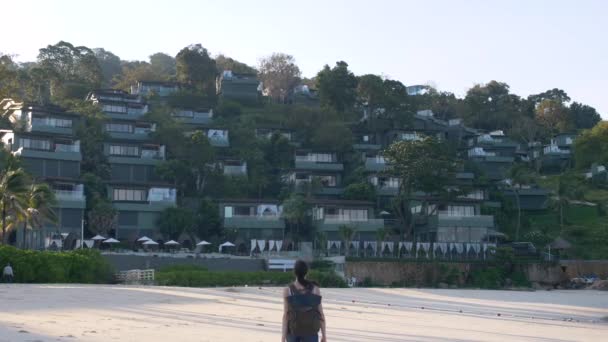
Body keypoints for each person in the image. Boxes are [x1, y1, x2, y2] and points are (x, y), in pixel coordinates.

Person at [282, 260, 326, 342]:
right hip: (311, 332)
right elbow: (321, 315)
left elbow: (286, 316)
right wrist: (324, 336)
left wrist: (283, 338)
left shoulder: (288, 290)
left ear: (294, 272)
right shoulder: (315, 289)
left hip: (293, 332)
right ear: (306, 272)